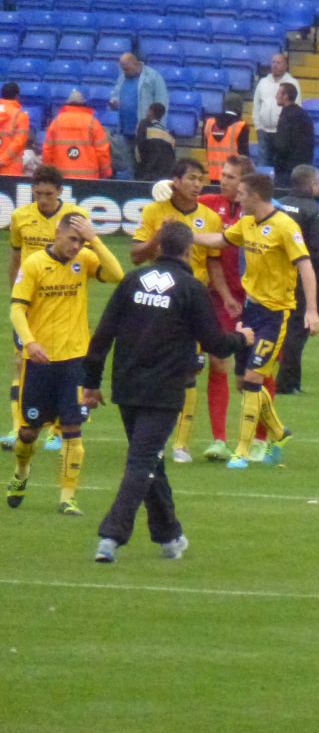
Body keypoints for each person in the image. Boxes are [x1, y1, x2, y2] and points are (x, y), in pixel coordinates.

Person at [83, 222, 254, 564]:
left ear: (159, 247)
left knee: (151, 462)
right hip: (163, 391)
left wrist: (90, 382)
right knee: (143, 461)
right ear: (190, 250)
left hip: (127, 386)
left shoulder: (132, 281)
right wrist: (243, 339)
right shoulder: (191, 289)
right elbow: (214, 343)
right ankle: (111, 536)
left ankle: (169, 535)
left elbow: (103, 333)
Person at [193, 172, 319, 469]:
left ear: (255, 196)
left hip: (275, 315)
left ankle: (242, 449)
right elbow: (220, 240)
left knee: (253, 379)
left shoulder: (285, 226)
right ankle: (278, 431)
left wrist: (311, 310)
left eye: (241, 193)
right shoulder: (247, 223)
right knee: (242, 381)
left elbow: (306, 267)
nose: (236, 198)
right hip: (251, 312)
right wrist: (185, 234)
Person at [7, 212, 123, 515]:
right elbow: (17, 309)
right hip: (39, 362)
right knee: (28, 433)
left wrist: (94, 240)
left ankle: (67, 497)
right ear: (57, 233)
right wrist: (30, 342)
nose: (76, 246)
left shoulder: (84, 259)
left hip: (74, 360)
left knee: (73, 427)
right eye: (73, 239)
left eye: (81, 241)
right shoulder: (33, 265)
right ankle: (21, 471)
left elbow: (117, 274)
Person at [130, 157, 229, 465]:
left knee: (191, 370)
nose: (198, 184)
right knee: (157, 367)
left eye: (201, 178)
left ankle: (181, 444)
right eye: (191, 178)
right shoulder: (154, 212)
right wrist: (158, 237)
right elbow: (135, 256)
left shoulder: (210, 218)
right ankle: (152, 436)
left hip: (192, 300)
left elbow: (213, 262)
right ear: (176, 180)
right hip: (157, 299)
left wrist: (224, 295)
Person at [3, 165, 86, 453]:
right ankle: (19, 426)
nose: (43, 200)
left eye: (48, 194)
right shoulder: (20, 217)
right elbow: (15, 257)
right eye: (38, 194)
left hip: (62, 301)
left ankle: (57, 429)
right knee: (23, 363)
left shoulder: (75, 218)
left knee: (63, 366)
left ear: (60, 192)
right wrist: (17, 294)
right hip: (31, 303)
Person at [197, 154, 256, 462]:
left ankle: (259, 440)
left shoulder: (261, 213)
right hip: (222, 298)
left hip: (259, 299)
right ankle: (218, 438)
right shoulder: (209, 204)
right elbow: (212, 256)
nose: (224, 180)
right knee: (218, 362)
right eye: (224, 174)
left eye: (232, 177)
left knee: (257, 370)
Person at [275, 164, 319, 395]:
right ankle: (287, 382)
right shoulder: (316, 212)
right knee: (297, 330)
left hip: (276, 276)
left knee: (279, 327)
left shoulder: (278, 206)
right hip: (303, 280)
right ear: (312, 185)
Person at [109, 53, 168, 174]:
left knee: (144, 166)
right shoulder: (122, 78)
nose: (124, 71)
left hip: (146, 132)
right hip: (125, 130)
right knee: (128, 167)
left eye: (126, 68)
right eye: (122, 69)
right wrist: (114, 102)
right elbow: (115, 95)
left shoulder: (153, 77)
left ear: (135, 64)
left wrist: (158, 128)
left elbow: (162, 103)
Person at [42, 90, 112, 180]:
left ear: (67, 104)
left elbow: (47, 150)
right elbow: (103, 152)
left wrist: (48, 173)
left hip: (60, 177)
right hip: (89, 178)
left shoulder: (56, 122)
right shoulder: (92, 122)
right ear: (84, 104)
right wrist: (106, 173)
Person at [252, 53, 301, 168]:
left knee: (279, 164)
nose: (275, 65)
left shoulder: (292, 83)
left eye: (278, 62)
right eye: (273, 62)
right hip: (264, 131)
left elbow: (296, 106)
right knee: (263, 164)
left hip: (282, 132)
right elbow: (256, 105)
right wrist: (258, 126)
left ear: (285, 65)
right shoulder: (263, 82)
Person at [202, 93, 249, 182]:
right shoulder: (241, 126)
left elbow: (206, 147)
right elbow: (244, 155)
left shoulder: (209, 123)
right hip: (233, 177)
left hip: (213, 175)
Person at [271, 83, 313, 178]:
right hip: (302, 167)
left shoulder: (287, 116)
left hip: (287, 169)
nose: (276, 96)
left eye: (278, 93)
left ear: (285, 96)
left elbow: (282, 145)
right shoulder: (302, 114)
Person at [134, 103, 176, 181]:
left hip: (147, 172)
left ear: (151, 112)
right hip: (165, 175)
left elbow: (138, 148)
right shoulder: (169, 134)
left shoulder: (144, 125)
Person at [0, 82, 31, 176]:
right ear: (17, 96)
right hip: (11, 170)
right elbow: (18, 143)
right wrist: (2, 160)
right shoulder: (21, 116)